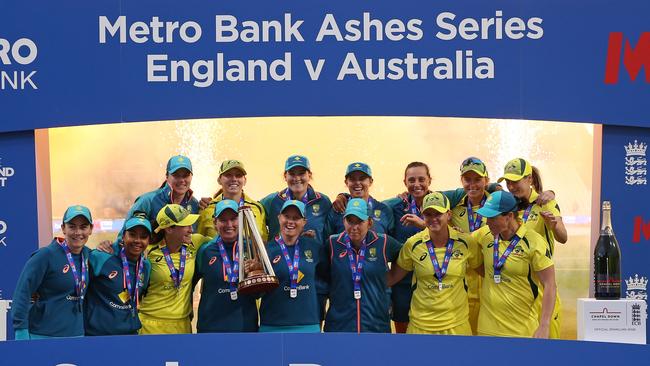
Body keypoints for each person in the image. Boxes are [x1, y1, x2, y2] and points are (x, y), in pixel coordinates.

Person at [387, 192, 481, 335]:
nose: (433, 219)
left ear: (448, 215)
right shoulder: (413, 244)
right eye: (428, 214)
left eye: (438, 214)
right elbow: (392, 277)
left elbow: (486, 273)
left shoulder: (466, 242)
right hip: (421, 325)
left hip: (456, 325)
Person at [498, 158, 567, 339]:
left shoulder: (546, 202)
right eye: (508, 182)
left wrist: (554, 226)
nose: (511, 186)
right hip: (519, 294)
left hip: (544, 288)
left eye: (516, 181)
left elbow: (563, 237)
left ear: (529, 179)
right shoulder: (508, 206)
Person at [473, 191, 557, 338]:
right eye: (487, 218)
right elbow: (461, 243)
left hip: (522, 331)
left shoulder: (533, 242)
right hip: (487, 330)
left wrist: (544, 325)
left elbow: (550, 284)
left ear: (509, 216)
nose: (488, 223)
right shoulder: (485, 234)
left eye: (492, 218)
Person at [260, 154, 332, 324]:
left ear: (310, 175)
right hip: (281, 277)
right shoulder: (271, 201)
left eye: (302, 173)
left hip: (314, 281)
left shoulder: (324, 201)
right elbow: (246, 207)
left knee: (311, 330)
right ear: (285, 176)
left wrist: (343, 195)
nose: (297, 178)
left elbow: (329, 236)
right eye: (292, 173)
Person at [12, 205, 93, 340]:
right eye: (72, 226)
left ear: (91, 229)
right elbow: (22, 293)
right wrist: (21, 333)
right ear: (63, 228)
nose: (78, 232)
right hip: (42, 336)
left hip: (77, 336)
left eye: (83, 227)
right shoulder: (45, 255)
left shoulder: (90, 255)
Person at [324, 198, 401, 333]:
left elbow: (407, 258)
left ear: (370, 222)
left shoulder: (384, 242)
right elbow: (322, 274)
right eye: (350, 221)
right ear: (343, 221)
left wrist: (390, 279)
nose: (354, 227)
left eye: (360, 221)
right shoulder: (332, 243)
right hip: (339, 326)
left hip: (376, 325)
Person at [138, 204, 211, 334]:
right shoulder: (147, 250)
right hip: (150, 324)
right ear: (169, 229)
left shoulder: (196, 242)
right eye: (185, 225)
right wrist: (109, 246)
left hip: (182, 324)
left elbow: (222, 241)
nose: (190, 229)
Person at [259, 200, 325, 333]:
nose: (290, 221)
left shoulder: (314, 247)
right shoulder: (266, 250)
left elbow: (325, 280)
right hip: (272, 325)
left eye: (296, 218)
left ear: (304, 222)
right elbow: (258, 291)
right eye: (287, 217)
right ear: (279, 218)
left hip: (308, 325)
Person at [194, 200, 259, 332]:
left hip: (245, 326)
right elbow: (189, 286)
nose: (229, 224)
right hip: (211, 327)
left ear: (241, 220)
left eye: (233, 219)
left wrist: (256, 272)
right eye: (223, 220)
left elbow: (261, 292)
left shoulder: (253, 248)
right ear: (215, 223)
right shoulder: (205, 251)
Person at [84, 216, 152, 335]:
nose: (137, 240)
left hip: (130, 335)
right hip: (98, 336)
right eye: (132, 234)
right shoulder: (101, 257)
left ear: (148, 241)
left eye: (143, 237)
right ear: (123, 236)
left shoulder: (146, 266)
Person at [447, 157, 492, 335]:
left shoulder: (498, 205)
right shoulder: (453, 208)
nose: (472, 184)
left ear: (487, 180)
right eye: (468, 179)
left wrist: (548, 192)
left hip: (492, 282)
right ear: (461, 181)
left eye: (478, 179)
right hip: (462, 286)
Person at [120, 155, 200, 240]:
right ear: (167, 176)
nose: (181, 180)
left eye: (185, 175)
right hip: (151, 253)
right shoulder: (147, 201)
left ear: (191, 176)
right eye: (176, 175)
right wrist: (110, 249)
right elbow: (124, 235)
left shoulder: (194, 204)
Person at [197, 159, 268, 241]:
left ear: (245, 180)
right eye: (228, 175)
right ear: (219, 180)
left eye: (238, 175)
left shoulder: (257, 208)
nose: (234, 179)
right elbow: (200, 243)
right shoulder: (207, 208)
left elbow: (263, 241)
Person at [326, 162, 394, 237]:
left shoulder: (384, 210)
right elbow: (327, 242)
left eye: (362, 179)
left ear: (370, 181)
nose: (357, 182)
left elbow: (392, 243)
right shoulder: (338, 209)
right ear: (346, 182)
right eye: (352, 179)